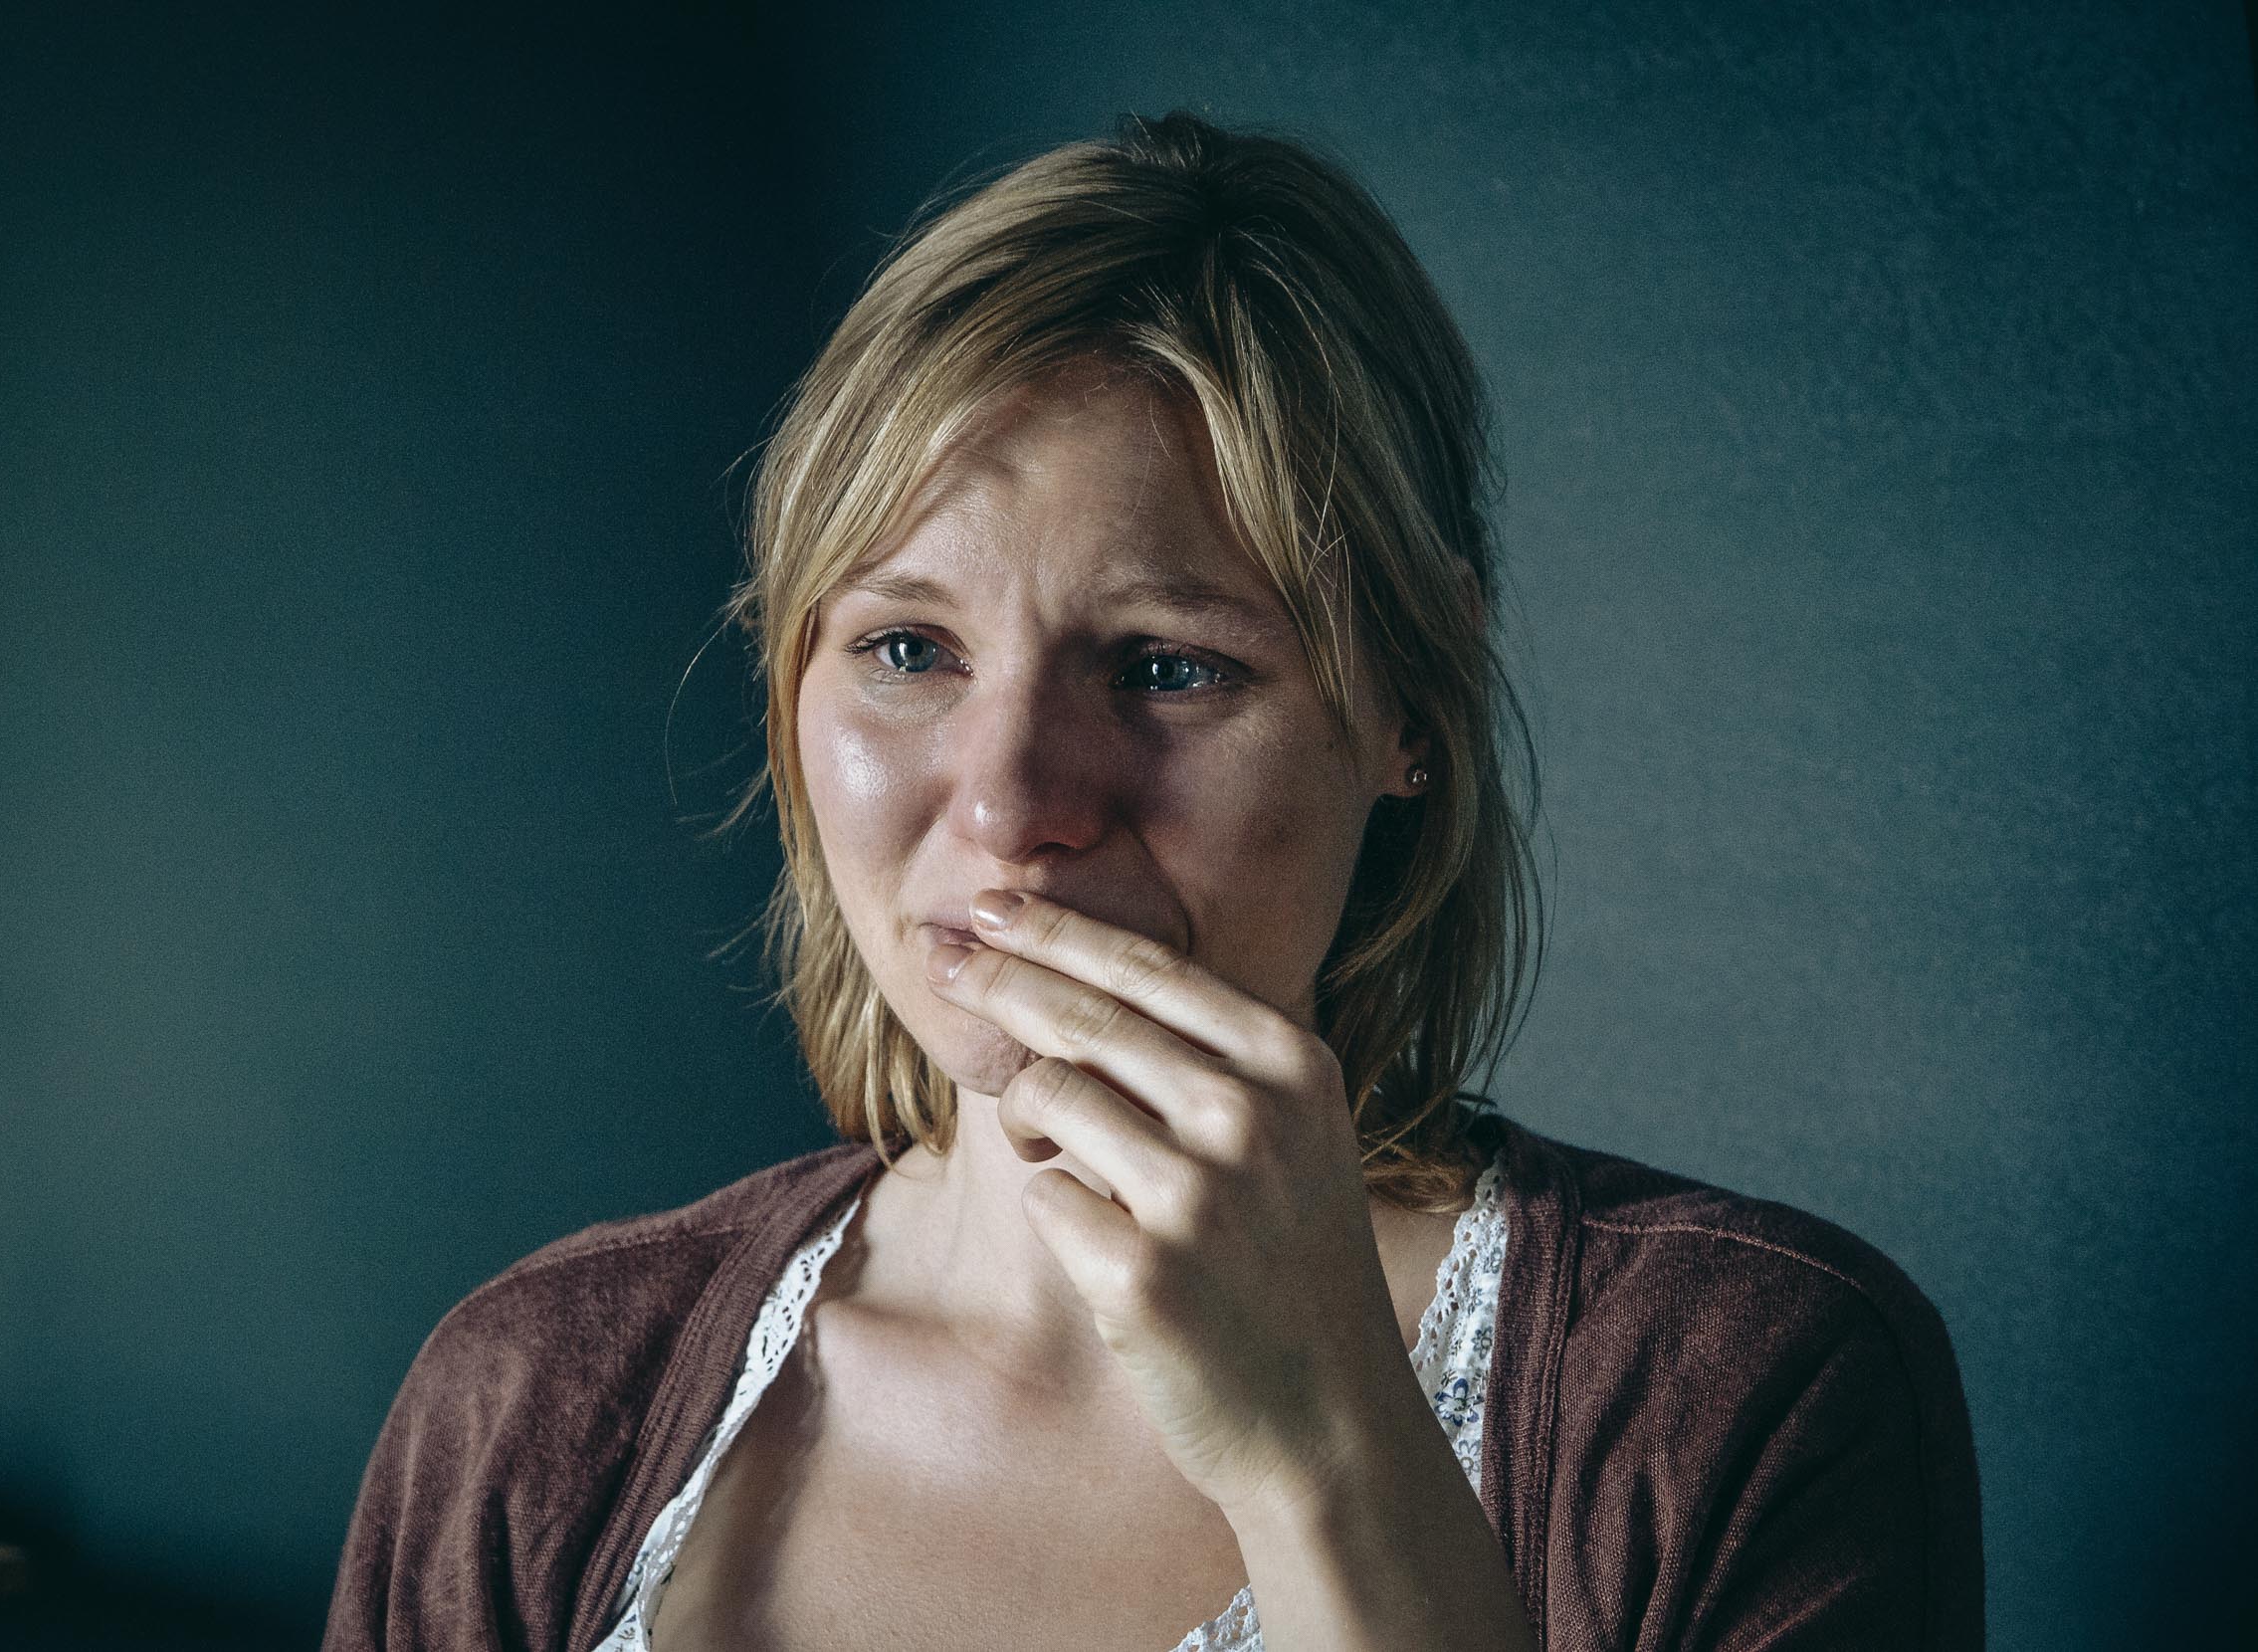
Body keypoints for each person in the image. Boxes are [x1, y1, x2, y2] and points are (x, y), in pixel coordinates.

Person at [322, 110, 1982, 1652]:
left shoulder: (1752, 1389)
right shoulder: (525, 1400)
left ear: (1410, 704)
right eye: (909, 648)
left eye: (1169, 669)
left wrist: (1325, 1449)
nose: (1014, 804)